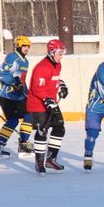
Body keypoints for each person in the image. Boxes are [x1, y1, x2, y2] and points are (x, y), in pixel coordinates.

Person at [27, 38, 68, 175]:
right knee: (42, 132)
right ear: (51, 52)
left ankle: (50, 159)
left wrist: (61, 85)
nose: (61, 56)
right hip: (38, 105)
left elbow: (55, 78)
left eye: (62, 53)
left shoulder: (57, 65)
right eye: (59, 53)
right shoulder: (42, 67)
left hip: (51, 103)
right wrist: (47, 100)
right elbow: (37, 88)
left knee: (59, 128)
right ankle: (39, 163)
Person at [0, 35, 35, 159]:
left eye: (28, 46)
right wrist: (14, 83)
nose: (27, 48)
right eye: (24, 46)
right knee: (13, 120)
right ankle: (0, 147)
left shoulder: (25, 61)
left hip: (17, 96)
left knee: (29, 115)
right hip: (5, 95)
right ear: (19, 46)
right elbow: (1, 74)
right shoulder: (12, 57)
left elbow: (22, 80)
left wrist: (27, 92)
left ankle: (23, 144)